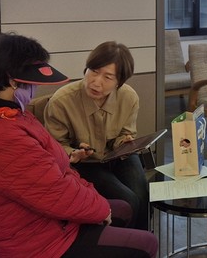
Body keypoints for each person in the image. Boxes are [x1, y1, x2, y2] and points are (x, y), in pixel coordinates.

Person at [0, 32, 157, 257]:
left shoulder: (1, 114)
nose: (35, 89)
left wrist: (92, 198)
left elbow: (53, 173)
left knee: (126, 206)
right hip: (37, 240)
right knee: (147, 243)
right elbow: (54, 191)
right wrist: (100, 209)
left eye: (108, 77)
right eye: (31, 82)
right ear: (12, 81)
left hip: (40, 218)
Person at [45, 41, 150, 231]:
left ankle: (143, 241)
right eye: (93, 71)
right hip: (86, 163)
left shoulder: (129, 97)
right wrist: (72, 152)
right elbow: (54, 145)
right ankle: (122, 242)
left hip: (118, 155)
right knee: (128, 200)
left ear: (119, 82)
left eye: (108, 77)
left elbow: (125, 133)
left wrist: (125, 141)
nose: (96, 81)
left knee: (142, 194)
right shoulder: (62, 101)